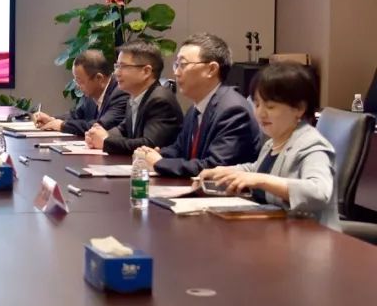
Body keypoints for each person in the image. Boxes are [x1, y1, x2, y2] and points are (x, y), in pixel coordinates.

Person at [198, 62, 339, 229]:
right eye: (257, 104)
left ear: (299, 108)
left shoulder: (312, 145)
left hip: (310, 236)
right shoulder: (273, 142)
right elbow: (257, 169)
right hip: (276, 231)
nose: (260, 113)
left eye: (270, 106)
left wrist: (260, 180)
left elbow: (318, 192)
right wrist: (226, 172)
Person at [137, 33, 262, 177]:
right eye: (176, 65)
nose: (176, 73)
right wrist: (151, 154)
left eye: (183, 65)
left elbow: (214, 166)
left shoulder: (233, 110)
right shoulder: (196, 109)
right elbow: (179, 149)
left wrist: (159, 163)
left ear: (211, 69)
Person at [85, 41, 183, 154]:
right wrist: (98, 135)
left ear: (146, 71)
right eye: (117, 66)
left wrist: (105, 141)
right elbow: (123, 130)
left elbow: (149, 145)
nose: (116, 73)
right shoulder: (135, 97)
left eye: (123, 66)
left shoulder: (160, 100)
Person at [32, 49, 127, 134]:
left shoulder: (120, 93)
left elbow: (101, 127)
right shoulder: (91, 93)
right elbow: (76, 115)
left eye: (80, 81)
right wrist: (51, 119)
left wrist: (62, 125)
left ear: (99, 78)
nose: (77, 86)